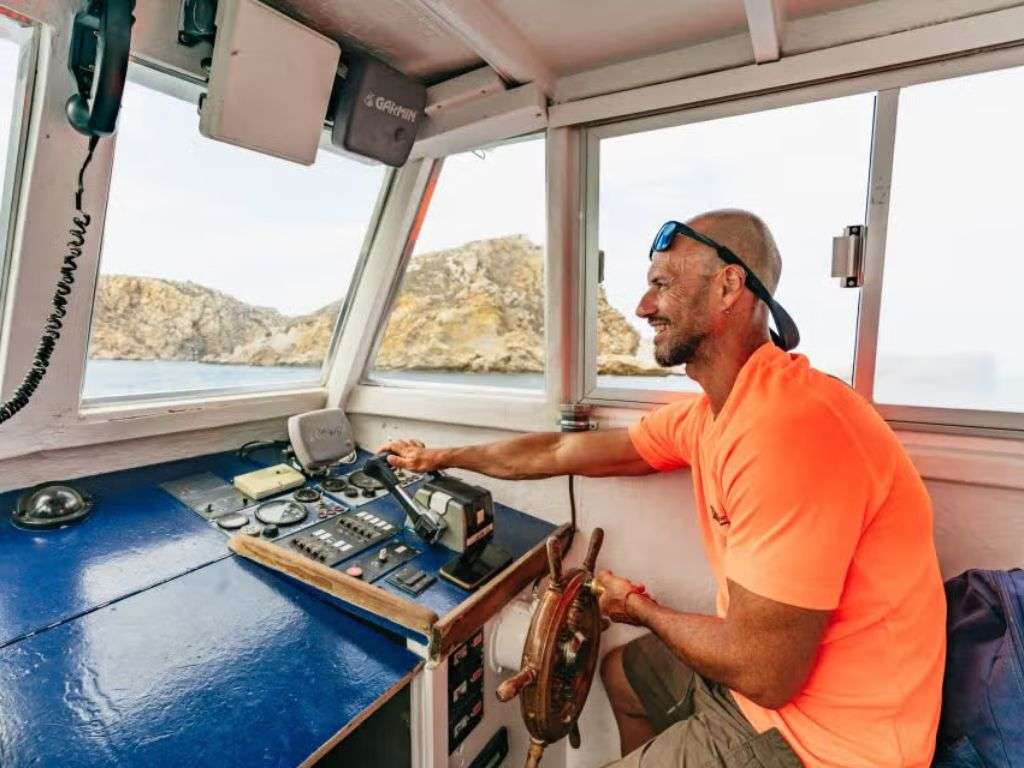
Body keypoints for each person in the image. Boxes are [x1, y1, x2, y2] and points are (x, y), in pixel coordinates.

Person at [382, 210, 946, 767]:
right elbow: (559, 452)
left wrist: (639, 608)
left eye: (662, 284)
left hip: (828, 742)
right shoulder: (715, 414)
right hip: (768, 686)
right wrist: (442, 457)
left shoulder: (789, 431)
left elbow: (766, 674)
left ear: (728, 287)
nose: (643, 306)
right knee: (624, 676)